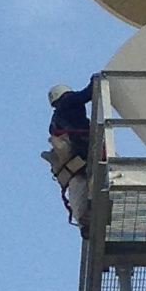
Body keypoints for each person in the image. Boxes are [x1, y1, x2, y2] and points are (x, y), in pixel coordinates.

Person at [45, 80, 92, 221]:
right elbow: (86, 95)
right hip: (84, 148)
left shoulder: (55, 119)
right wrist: (95, 80)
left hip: (73, 162)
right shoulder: (68, 101)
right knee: (107, 173)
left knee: (81, 185)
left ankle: (85, 219)